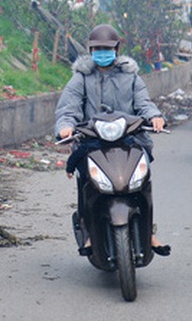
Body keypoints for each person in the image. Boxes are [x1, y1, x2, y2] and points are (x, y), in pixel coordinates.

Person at [54, 23, 171, 257]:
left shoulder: (131, 77)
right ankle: (87, 230)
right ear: (90, 49)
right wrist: (65, 126)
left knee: (143, 179)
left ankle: (149, 231)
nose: (102, 53)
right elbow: (69, 108)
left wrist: (155, 116)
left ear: (117, 49)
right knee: (85, 179)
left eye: (107, 48)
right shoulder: (81, 78)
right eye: (97, 48)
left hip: (130, 140)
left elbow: (143, 103)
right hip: (92, 141)